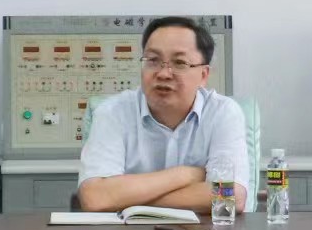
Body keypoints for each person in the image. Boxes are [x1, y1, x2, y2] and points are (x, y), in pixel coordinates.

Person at [75, 16, 252, 214]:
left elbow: (230, 197)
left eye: (179, 63)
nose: (163, 74)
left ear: (203, 75)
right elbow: (95, 198)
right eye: (153, 61)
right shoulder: (113, 112)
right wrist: (185, 175)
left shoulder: (223, 113)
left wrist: (126, 199)